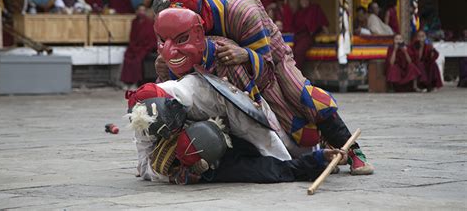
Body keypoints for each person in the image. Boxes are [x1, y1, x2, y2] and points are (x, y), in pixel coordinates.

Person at [152, 0, 374, 175]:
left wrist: (245, 55)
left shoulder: (243, 12)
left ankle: (354, 151)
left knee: (300, 95)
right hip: (222, 72)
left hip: (271, 61)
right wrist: (167, 67)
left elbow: (266, 66)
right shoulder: (175, 27)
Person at [126, 73, 348, 184]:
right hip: (202, 157)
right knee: (256, 171)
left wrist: (285, 160)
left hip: (238, 126)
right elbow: (144, 164)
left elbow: (251, 128)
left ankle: (315, 155)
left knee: (280, 154)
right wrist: (174, 174)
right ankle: (314, 161)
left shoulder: (198, 91)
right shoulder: (142, 120)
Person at [120, 5, 157, 87]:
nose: (141, 12)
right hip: (135, 46)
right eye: (140, 10)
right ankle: (127, 82)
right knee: (127, 57)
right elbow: (132, 37)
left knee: (137, 60)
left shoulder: (149, 23)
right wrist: (133, 47)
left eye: (143, 10)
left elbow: (151, 39)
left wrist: (143, 47)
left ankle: (137, 82)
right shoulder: (134, 22)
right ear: (136, 12)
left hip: (146, 47)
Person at [292, 0, 329, 70]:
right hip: (298, 37)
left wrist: (327, 33)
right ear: (299, 2)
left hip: (308, 36)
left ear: (309, 2)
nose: (304, 2)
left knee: (299, 51)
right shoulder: (297, 13)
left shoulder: (314, 9)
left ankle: (296, 72)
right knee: (293, 52)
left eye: (306, 0)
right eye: (302, 0)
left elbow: (322, 21)